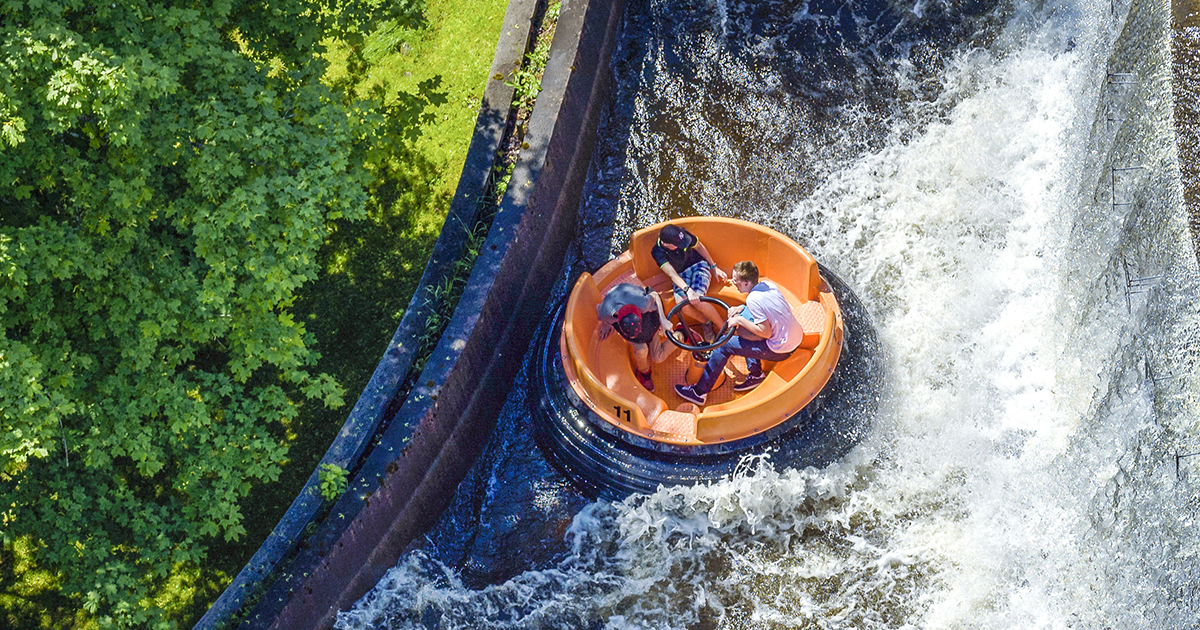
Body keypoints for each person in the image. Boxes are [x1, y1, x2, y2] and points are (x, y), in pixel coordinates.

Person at [675, 260, 803, 405]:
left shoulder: (753, 299)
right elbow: (763, 310)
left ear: (747, 283)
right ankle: (756, 374)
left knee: (724, 345)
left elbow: (766, 333)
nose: (733, 282)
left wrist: (740, 321)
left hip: (780, 349)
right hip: (794, 338)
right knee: (742, 326)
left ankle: (699, 393)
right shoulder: (768, 286)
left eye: (736, 280)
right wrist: (742, 308)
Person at [651, 224, 727, 342]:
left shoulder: (682, 235)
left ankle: (724, 329)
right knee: (683, 306)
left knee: (699, 301)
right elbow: (672, 274)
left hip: (698, 265)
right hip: (680, 274)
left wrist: (713, 266)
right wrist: (688, 290)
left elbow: (699, 246)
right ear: (666, 244)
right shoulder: (657, 252)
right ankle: (706, 323)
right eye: (678, 245)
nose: (683, 246)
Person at [597, 282, 677, 392]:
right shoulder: (605, 313)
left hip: (649, 322)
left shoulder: (643, 304)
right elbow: (599, 310)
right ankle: (645, 373)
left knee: (657, 357)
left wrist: (663, 320)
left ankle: (681, 334)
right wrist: (605, 324)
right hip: (627, 322)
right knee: (641, 350)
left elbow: (654, 295)